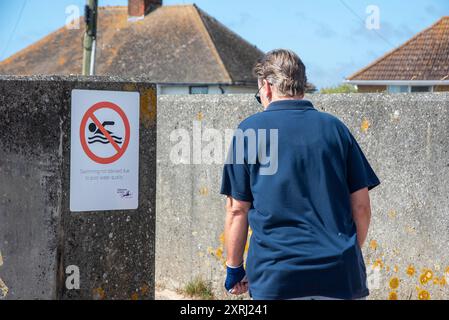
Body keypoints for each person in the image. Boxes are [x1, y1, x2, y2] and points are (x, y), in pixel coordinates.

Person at [220, 49, 380, 300]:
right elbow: (361, 207)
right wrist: (344, 254)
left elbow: (237, 210)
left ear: (267, 86)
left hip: (276, 277)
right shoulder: (336, 129)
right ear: (302, 85)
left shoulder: (249, 131)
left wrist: (234, 268)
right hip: (339, 276)